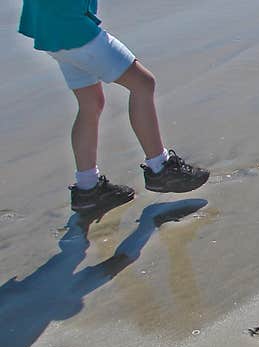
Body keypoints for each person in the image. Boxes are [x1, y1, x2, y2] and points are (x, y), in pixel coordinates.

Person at [18, 0, 210, 213]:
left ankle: (88, 188)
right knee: (142, 84)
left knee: (90, 103)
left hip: (49, 27)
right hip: (73, 27)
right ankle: (160, 168)